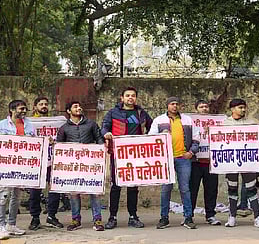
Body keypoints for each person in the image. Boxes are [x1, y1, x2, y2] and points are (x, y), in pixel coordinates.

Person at [101, 87, 153, 229]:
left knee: (133, 187)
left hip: (135, 154)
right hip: (118, 154)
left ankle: (133, 216)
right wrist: (106, 134)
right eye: (128, 95)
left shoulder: (141, 113)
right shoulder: (113, 112)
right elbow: (104, 127)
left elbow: (152, 127)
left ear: (136, 98)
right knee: (116, 186)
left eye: (133, 95)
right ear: (122, 98)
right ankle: (112, 218)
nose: (130, 98)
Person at [151, 97, 200, 229]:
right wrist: (162, 135)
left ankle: (188, 218)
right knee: (166, 189)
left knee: (185, 188)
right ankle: (164, 218)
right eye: (172, 104)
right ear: (167, 106)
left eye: (177, 104)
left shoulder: (188, 120)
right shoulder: (159, 120)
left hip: (184, 159)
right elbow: (151, 138)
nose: (175, 106)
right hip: (166, 160)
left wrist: (191, 152)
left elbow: (196, 138)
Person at [56, 101, 106, 231]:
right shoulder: (63, 128)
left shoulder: (91, 124)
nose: (79, 108)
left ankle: (98, 220)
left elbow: (99, 140)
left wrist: (103, 151)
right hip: (72, 167)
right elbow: (59, 147)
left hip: (90, 165)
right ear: (68, 111)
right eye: (75, 107)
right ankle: (75, 220)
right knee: (74, 193)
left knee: (94, 192)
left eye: (79, 106)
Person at [0, 100, 34, 240]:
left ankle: (11, 224)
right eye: (21, 109)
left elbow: (35, 142)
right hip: (5, 167)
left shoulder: (29, 125)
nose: (24, 111)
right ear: (12, 110)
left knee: (16, 196)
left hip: (22, 166)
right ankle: (1, 226)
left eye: (25, 109)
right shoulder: (1, 125)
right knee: (4, 195)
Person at [222, 98, 259, 228]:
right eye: (240, 107)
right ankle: (232, 216)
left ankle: (258, 217)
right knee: (232, 189)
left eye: (244, 107)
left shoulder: (251, 123)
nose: (243, 110)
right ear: (232, 109)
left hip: (248, 161)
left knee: (251, 189)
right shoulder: (224, 124)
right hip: (231, 162)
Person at [28, 96, 65, 230]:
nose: (44, 106)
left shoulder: (56, 122)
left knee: (54, 188)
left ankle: (51, 216)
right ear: (35, 107)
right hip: (36, 161)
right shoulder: (29, 123)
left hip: (53, 160)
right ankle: (35, 218)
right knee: (35, 190)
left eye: (46, 104)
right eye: (41, 104)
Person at [189, 99, 221, 225]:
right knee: (192, 189)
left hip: (211, 163)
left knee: (211, 190)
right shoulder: (190, 122)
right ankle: (188, 215)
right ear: (196, 109)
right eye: (201, 107)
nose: (204, 109)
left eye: (206, 106)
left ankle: (210, 215)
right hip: (195, 162)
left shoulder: (218, 123)